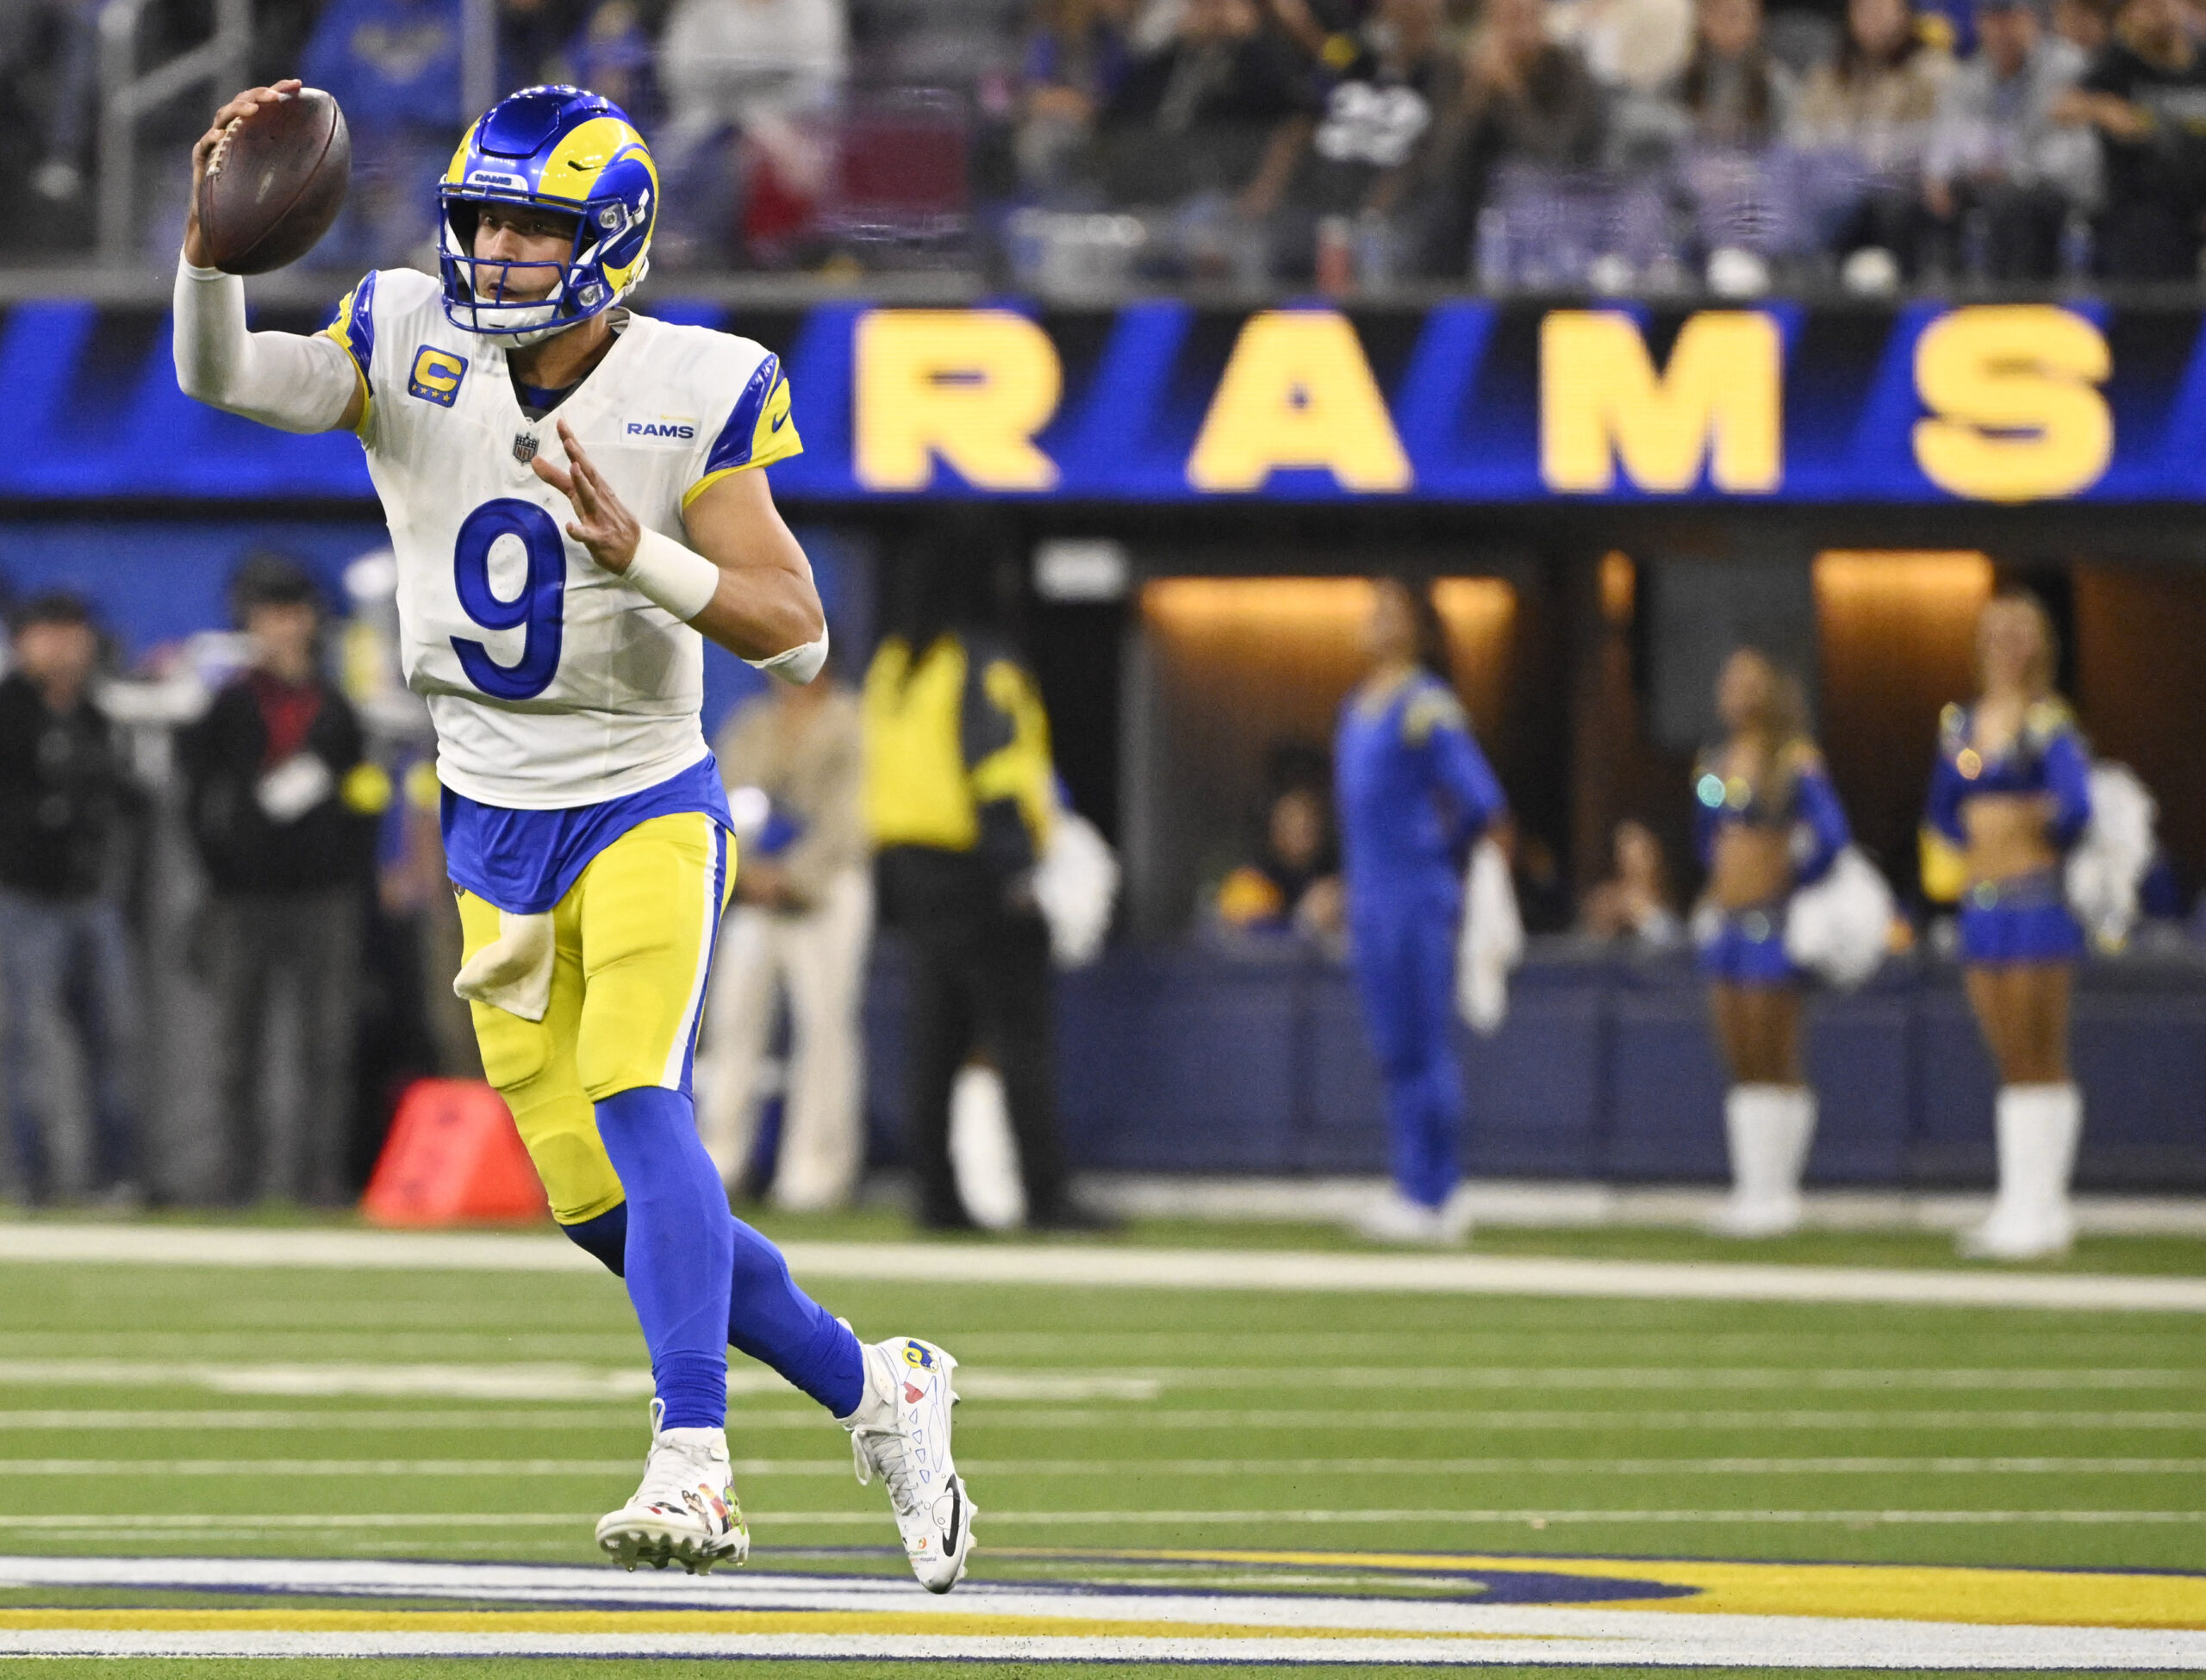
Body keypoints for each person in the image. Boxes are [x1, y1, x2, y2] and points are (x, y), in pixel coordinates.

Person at [173, 80, 970, 1587]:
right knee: (603, 1211)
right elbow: (230, 381)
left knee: (643, 1094)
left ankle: (696, 1462)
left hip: (641, 794)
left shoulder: (696, 381)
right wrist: (208, 256)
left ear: (610, 241)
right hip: (486, 814)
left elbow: (798, 633)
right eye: (481, 218)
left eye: (533, 229)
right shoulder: (405, 334)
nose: (496, 252)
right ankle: (883, 1389)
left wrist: (643, 554)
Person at [863, 529, 1100, 1235]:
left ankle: (936, 1197)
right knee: (1021, 1036)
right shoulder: (982, 661)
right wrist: (1021, 871)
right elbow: (997, 770)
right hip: (978, 869)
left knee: (936, 1036)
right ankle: (1045, 1196)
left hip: (910, 871)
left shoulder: (894, 663)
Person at [178, 557, 384, 1207]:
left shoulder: (335, 709)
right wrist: (218, 872)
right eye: (269, 616)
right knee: (236, 1047)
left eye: (293, 614)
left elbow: (362, 797)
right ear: (250, 623)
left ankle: (318, 1179)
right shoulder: (229, 704)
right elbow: (195, 797)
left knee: (325, 1046)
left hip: (323, 897)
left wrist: (352, 873)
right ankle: (234, 1179)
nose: (282, 629)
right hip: (243, 897)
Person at [1335, 577, 1506, 1246]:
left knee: (1425, 1045)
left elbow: (1480, 799)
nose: (1377, 623)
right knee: (1392, 1048)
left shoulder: (1425, 705)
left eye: (1392, 612)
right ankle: (1413, 1183)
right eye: (1372, 610)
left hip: (1416, 894)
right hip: (1370, 896)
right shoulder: (1356, 706)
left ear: (1417, 629)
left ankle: (1440, 1188)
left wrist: (1440, 852)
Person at [1922, 591, 2091, 1260]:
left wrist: (2031, 822)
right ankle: (2018, 1202)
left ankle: (2045, 1207)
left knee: (2036, 1053)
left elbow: (2077, 807)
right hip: (1981, 902)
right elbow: (1941, 808)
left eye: (2021, 633)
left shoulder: (2049, 722)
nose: (2007, 645)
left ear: (2041, 645)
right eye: (1996, 632)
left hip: (2034, 899)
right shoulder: (1961, 725)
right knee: (2004, 1054)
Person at [696, 666, 871, 1210]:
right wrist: (748, 873)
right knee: (732, 1025)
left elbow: (854, 815)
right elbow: (719, 794)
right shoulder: (754, 721)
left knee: (824, 1031)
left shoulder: (853, 721)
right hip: (755, 889)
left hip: (827, 887)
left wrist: (796, 876)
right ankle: (720, 1164)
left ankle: (815, 1177)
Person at [1690, 649, 1849, 1238]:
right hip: (1727, 923)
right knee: (1738, 1054)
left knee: (1772, 1051)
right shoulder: (1712, 764)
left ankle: (1779, 1191)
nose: (1738, 692)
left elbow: (1831, 835)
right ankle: (1750, 1187)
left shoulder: (1795, 762)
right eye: (1730, 681)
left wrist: (1789, 874)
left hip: (1771, 924)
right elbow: (1705, 835)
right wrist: (1724, 870)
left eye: (1751, 682)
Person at [0, 594, 141, 1204]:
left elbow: (121, 798)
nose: (64, 647)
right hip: (23, 897)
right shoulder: (9, 712)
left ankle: (115, 1177)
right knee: (26, 1043)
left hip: (91, 896)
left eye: (74, 633)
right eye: (49, 633)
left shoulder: (94, 714)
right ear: (24, 640)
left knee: (114, 1039)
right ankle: (24, 1176)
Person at [1922, 0, 2093, 280]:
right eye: (1993, 21)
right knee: (1918, 205)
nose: (2002, 31)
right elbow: (1945, 139)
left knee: (2013, 204)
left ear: (2034, 21)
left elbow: (2076, 152)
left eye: (2011, 19)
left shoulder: (2068, 67)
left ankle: (2016, 306)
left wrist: (2013, 169)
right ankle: (1949, 304)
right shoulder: (1970, 75)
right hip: (1985, 184)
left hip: (2053, 185)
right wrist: (1938, 176)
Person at [1792, 0, 1952, 278]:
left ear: (1904, 15)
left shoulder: (1932, 73)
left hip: (1899, 200)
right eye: (1862, 10)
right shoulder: (1828, 76)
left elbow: (1933, 145)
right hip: (1836, 195)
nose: (1871, 19)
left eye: (1880, 10)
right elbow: (1801, 140)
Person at [2054, 0, 2206, 278]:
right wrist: (2103, 108)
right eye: (2142, 8)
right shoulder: (2120, 64)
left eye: (2160, 6)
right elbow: (2061, 108)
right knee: (2146, 234)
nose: (2153, 15)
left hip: (2198, 195)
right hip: (2142, 208)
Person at [1578, 818, 1682, 947]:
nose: (1633, 865)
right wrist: (1601, 925)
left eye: (1641, 855)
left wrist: (1644, 915)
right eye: (1625, 856)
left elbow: (1676, 946)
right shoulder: (1606, 899)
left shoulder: (1669, 902)